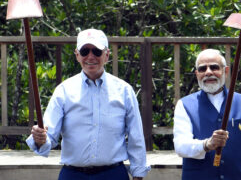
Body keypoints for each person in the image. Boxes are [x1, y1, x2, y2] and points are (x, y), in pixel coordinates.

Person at [26, 29, 150, 180]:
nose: (90, 56)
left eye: (97, 51)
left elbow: (135, 136)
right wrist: (40, 139)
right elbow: (48, 136)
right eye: (85, 51)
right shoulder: (63, 91)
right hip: (73, 174)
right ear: (77, 55)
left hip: (113, 174)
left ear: (107, 55)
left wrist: (138, 174)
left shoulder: (124, 91)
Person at [173, 49, 241, 180]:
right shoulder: (184, 105)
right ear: (197, 74)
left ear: (225, 71)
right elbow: (181, 146)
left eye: (214, 67)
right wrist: (207, 144)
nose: (208, 72)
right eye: (202, 69)